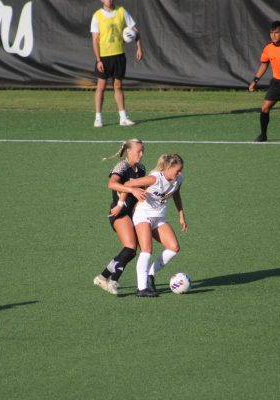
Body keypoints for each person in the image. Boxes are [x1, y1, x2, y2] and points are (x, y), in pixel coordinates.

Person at [124, 154, 187, 297]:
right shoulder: (154, 178)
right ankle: (141, 289)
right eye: (177, 170)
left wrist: (181, 214)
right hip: (143, 214)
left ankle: (150, 274)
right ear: (168, 168)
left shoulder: (179, 179)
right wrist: (134, 191)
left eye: (181, 170)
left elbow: (176, 193)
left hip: (159, 218)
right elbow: (127, 184)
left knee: (173, 247)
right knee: (146, 250)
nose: (180, 173)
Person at [93, 139, 147, 296]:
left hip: (132, 213)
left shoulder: (141, 168)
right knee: (130, 247)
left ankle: (103, 277)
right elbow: (112, 184)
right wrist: (131, 191)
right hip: (119, 212)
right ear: (129, 151)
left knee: (131, 252)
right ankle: (111, 281)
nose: (141, 154)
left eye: (143, 151)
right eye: (138, 151)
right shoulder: (122, 166)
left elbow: (141, 188)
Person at [91, 0, 142, 128]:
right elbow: (95, 39)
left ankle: (123, 118)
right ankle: (98, 118)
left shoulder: (121, 11)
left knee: (118, 86)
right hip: (104, 57)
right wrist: (98, 60)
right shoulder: (97, 15)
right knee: (101, 87)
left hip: (119, 55)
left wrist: (139, 47)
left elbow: (135, 30)